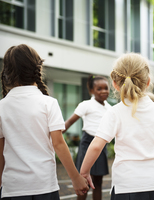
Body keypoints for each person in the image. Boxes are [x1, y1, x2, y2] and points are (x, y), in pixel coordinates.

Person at [0, 44, 89, 199]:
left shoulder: (2, 106)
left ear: (7, 72)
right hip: (44, 186)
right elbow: (59, 144)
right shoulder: (48, 103)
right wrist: (75, 178)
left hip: (12, 189)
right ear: (37, 69)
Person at [80, 53, 154, 200]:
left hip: (126, 186)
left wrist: (84, 172)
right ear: (147, 82)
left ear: (114, 84)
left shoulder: (114, 112)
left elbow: (96, 146)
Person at [63, 75, 111, 200]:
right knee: (83, 181)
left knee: (98, 182)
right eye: (99, 89)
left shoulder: (109, 108)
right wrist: (54, 136)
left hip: (101, 146)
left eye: (106, 88)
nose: (104, 91)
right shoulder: (86, 105)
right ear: (91, 91)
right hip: (87, 143)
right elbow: (69, 122)